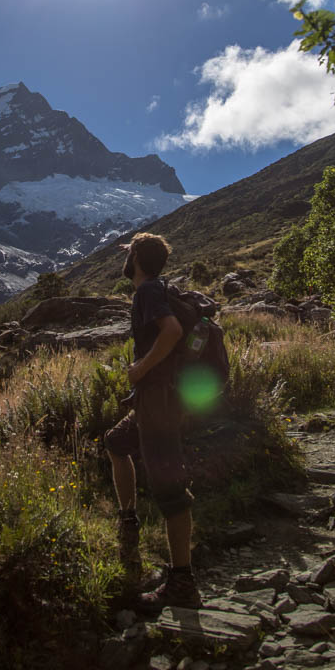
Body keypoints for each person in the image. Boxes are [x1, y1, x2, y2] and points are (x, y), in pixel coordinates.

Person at [103, 232, 201, 611]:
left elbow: (172, 332)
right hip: (155, 398)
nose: (124, 261)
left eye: (128, 255)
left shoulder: (147, 292)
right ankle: (129, 521)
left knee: (171, 489)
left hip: (158, 400)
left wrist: (140, 368)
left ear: (138, 261)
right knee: (116, 443)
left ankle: (181, 582)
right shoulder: (157, 288)